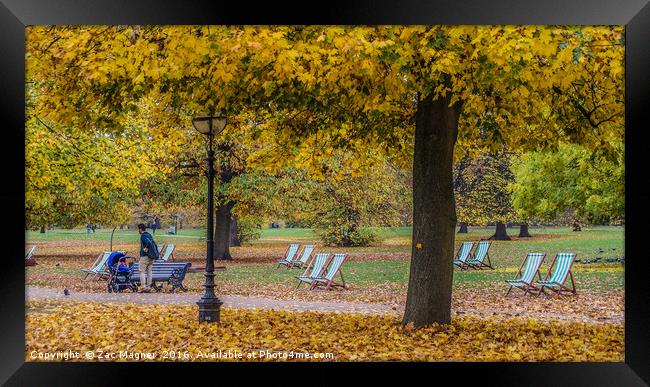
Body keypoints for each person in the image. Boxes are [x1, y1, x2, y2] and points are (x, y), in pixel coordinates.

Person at [137, 223, 159, 293]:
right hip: (151, 257)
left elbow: (149, 243)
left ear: (140, 229)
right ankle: (149, 286)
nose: (138, 231)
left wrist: (145, 248)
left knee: (141, 271)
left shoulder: (143, 236)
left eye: (139, 229)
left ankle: (143, 286)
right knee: (149, 271)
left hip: (145, 256)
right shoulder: (149, 235)